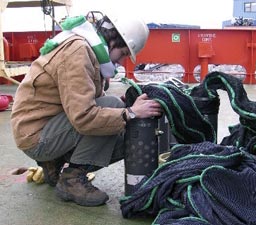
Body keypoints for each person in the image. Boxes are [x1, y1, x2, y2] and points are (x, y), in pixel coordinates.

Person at [10, 11, 162, 207]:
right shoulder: (78, 52)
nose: (122, 61)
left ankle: (53, 164)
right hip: (37, 138)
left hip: (39, 129)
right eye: (124, 53)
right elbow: (83, 117)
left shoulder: (87, 47)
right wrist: (130, 113)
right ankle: (71, 180)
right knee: (115, 110)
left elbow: (84, 99)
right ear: (114, 40)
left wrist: (125, 106)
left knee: (116, 112)